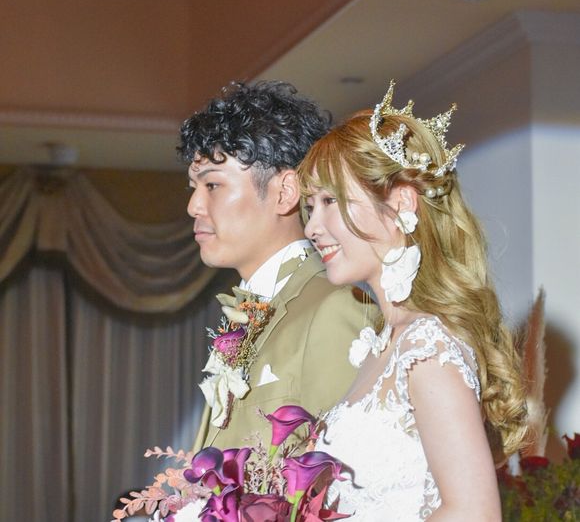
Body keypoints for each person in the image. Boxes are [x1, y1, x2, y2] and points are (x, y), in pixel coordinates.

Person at [298, 81, 528, 520]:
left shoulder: (427, 347)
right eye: (312, 205)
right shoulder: (385, 344)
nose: (312, 226)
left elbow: (475, 513)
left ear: (401, 201)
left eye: (330, 200)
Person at [178, 81, 374, 451]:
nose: (194, 206)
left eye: (212, 186)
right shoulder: (246, 311)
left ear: (285, 192)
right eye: (194, 187)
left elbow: (347, 471)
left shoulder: (334, 309)